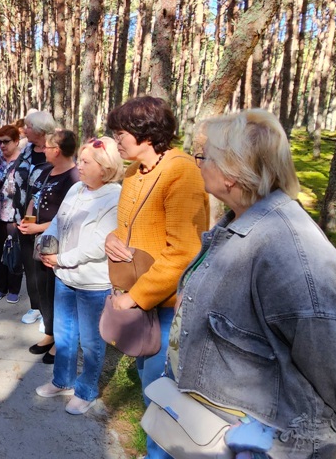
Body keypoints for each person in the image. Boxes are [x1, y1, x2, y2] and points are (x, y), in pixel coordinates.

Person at [168, 109, 336, 457]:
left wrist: (295, 439)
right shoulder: (239, 223)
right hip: (217, 425)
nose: (199, 164)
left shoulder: (288, 250)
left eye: (204, 157)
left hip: (261, 441)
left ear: (231, 171)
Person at [102, 96, 209, 459]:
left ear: (146, 134)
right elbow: (127, 229)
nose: (116, 141)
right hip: (138, 299)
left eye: (121, 133)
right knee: (150, 384)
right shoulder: (134, 171)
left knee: (162, 393)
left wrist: (134, 298)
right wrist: (111, 239)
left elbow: (184, 251)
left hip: (166, 308)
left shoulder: (182, 171)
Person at [35, 137, 123, 415]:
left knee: (91, 341)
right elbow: (58, 222)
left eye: (86, 162)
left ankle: (86, 391)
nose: (79, 166)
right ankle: (62, 380)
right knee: (64, 334)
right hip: (64, 277)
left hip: (93, 283)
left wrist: (61, 260)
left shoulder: (115, 197)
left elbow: (99, 244)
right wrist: (46, 245)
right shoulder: (77, 188)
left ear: (105, 167)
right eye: (80, 160)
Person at [18, 129, 79, 363]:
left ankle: (60, 341)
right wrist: (29, 220)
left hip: (59, 244)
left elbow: (67, 217)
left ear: (58, 150)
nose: (43, 150)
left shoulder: (73, 178)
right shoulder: (47, 171)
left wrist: (39, 227)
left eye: (48, 147)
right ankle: (50, 333)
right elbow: (34, 198)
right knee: (42, 288)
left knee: (57, 292)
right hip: (40, 240)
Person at [15, 110, 58, 324]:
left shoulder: (55, 151)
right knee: (29, 266)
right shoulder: (26, 150)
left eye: (29, 127)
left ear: (40, 130)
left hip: (47, 219)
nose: (24, 130)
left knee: (45, 267)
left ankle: (48, 311)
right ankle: (35, 307)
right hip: (23, 217)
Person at [0, 124, 24, 303]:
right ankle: (0, 287)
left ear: (16, 141)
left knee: (14, 251)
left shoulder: (24, 161)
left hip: (16, 216)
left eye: (6, 142)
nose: (2, 145)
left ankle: (14, 289)